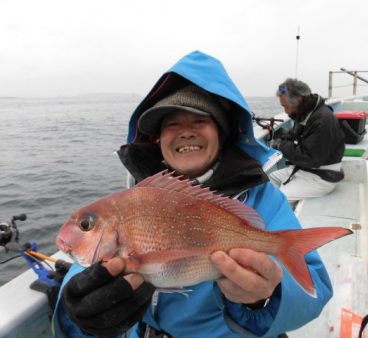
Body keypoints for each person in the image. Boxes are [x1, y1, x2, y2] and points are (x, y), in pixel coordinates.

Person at [52, 51, 334, 338]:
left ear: (222, 133)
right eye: (172, 123)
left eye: (200, 120)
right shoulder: (135, 197)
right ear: (157, 139)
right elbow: (90, 269)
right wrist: (81, 307)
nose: (185, 132)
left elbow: (315, 289)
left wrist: (266, 297)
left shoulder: (264, 200)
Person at [269, 78, 345, 204]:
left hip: (322, 175)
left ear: (298, 101)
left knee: (280, 198)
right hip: (307, 169)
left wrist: (281, 145)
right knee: (272, 178)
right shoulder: (307, 113)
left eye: (286, 106)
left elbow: (310, 158)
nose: (285, 111)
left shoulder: (322, 120)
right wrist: (282, 136)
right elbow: (296, 135)